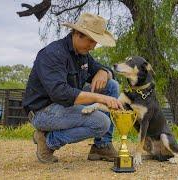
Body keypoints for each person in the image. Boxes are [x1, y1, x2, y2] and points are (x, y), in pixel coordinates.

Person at [22, 13, 123, 163]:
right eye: (91, 41)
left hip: (66, 105)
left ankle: (102, 146)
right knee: (101, 123)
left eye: (96, 42)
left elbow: (99, 68)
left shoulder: (82, 53)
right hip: (43, 111)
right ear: (77, 34)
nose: (93, 47)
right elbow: (61, 93)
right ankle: (48, 141)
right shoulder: (52, 54)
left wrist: (104, 72)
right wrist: (100, 98)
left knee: (111, 85)